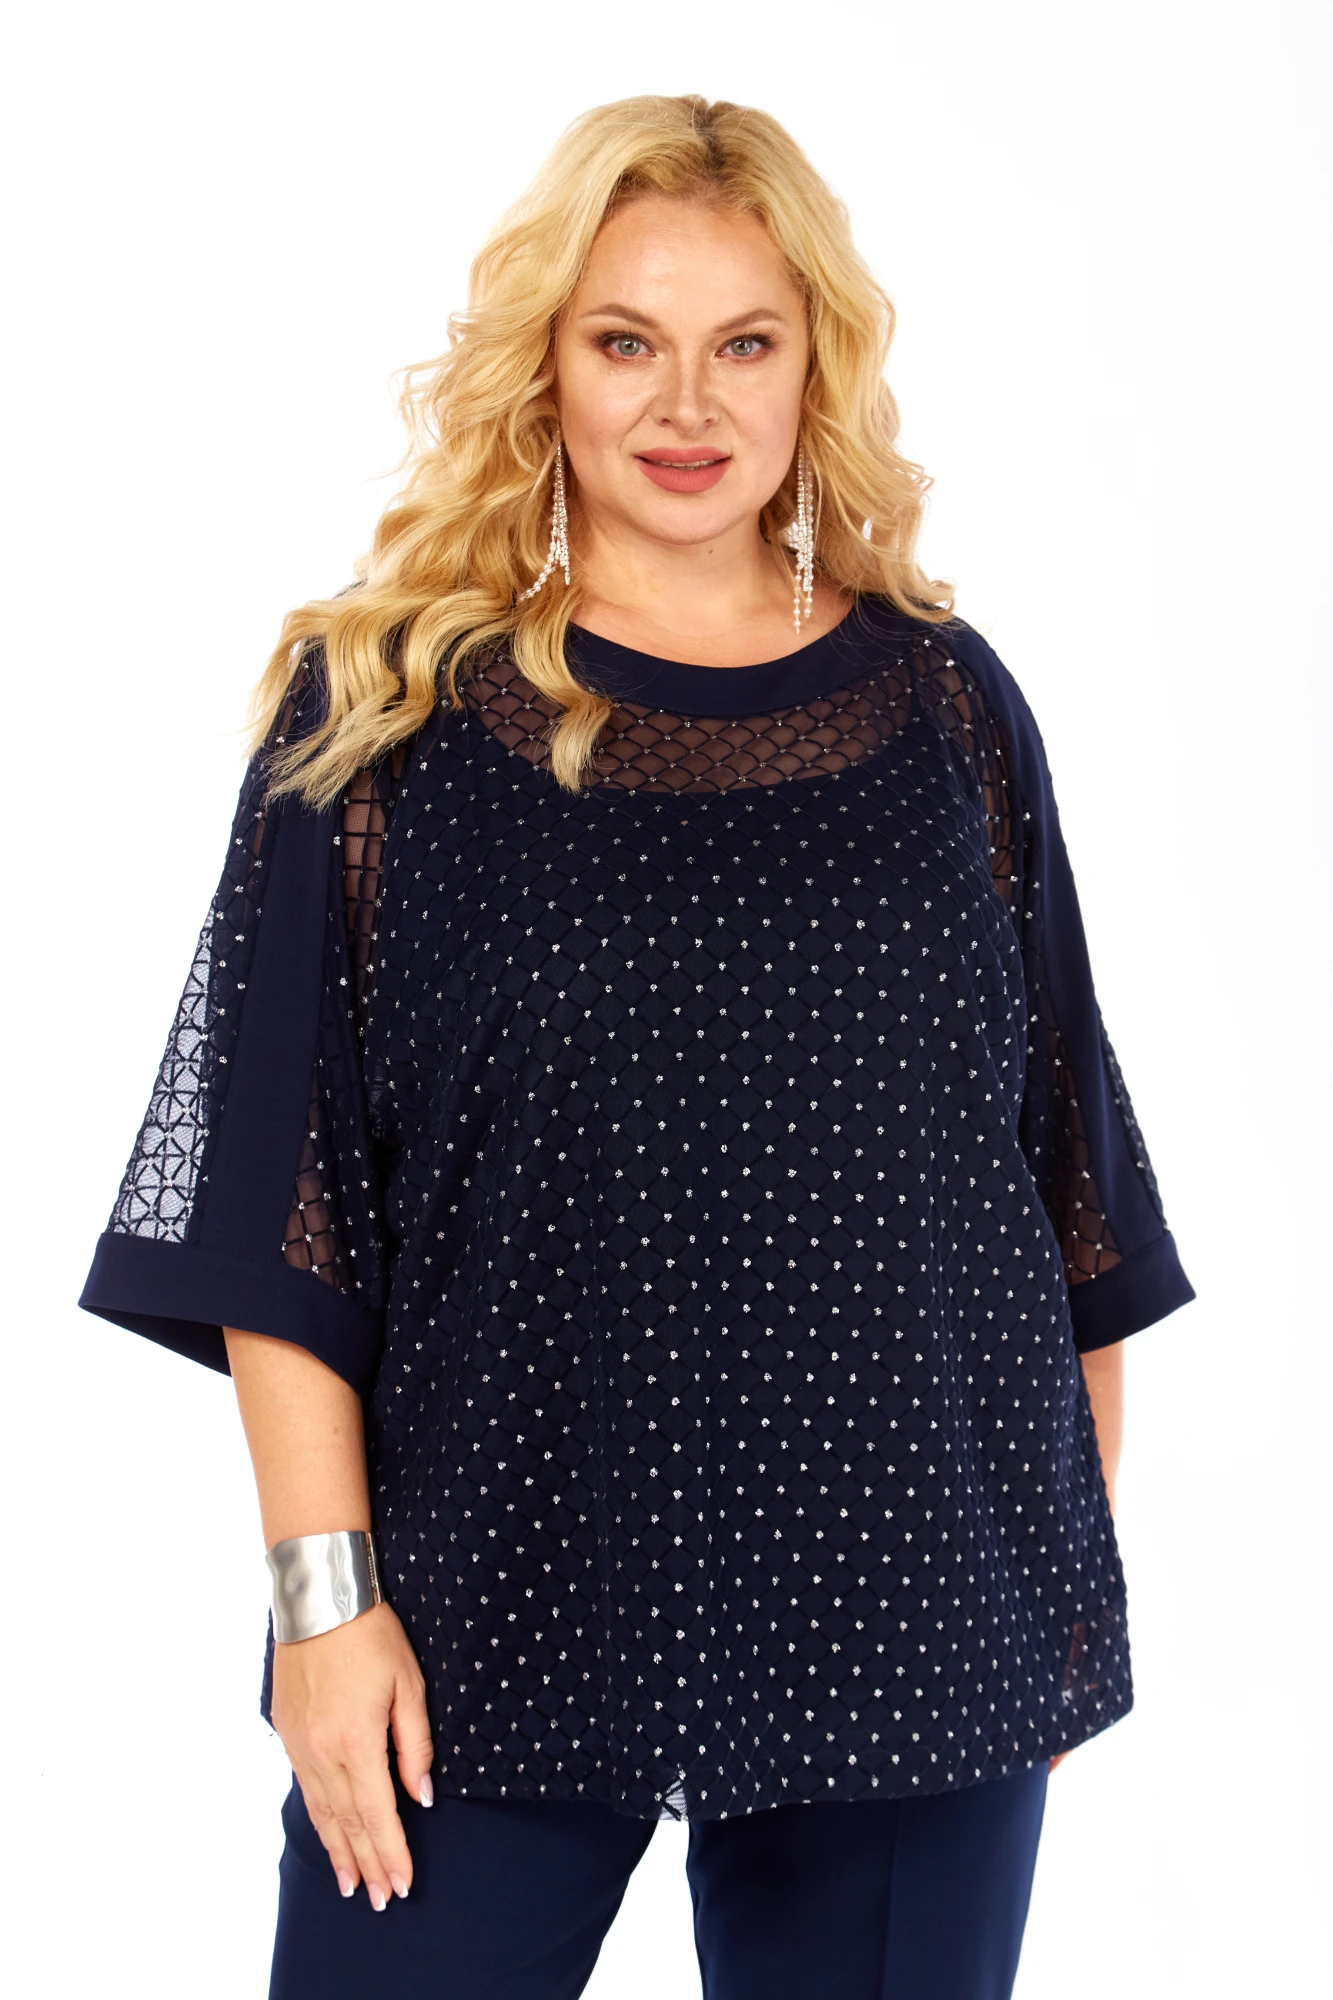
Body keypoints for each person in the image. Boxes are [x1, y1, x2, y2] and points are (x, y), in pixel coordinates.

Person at [78, 92, 1196, 2000]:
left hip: (916, 1594)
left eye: (744, 344)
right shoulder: (386, 713)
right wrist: (320, 1612)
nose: (689, 404)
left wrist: (1055, 1580)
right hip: (496, 1593)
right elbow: (281, 1208)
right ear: (547, 365)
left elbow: (1057, 1174)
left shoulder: (945, 706)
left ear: (814, 365)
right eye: (627, 342)